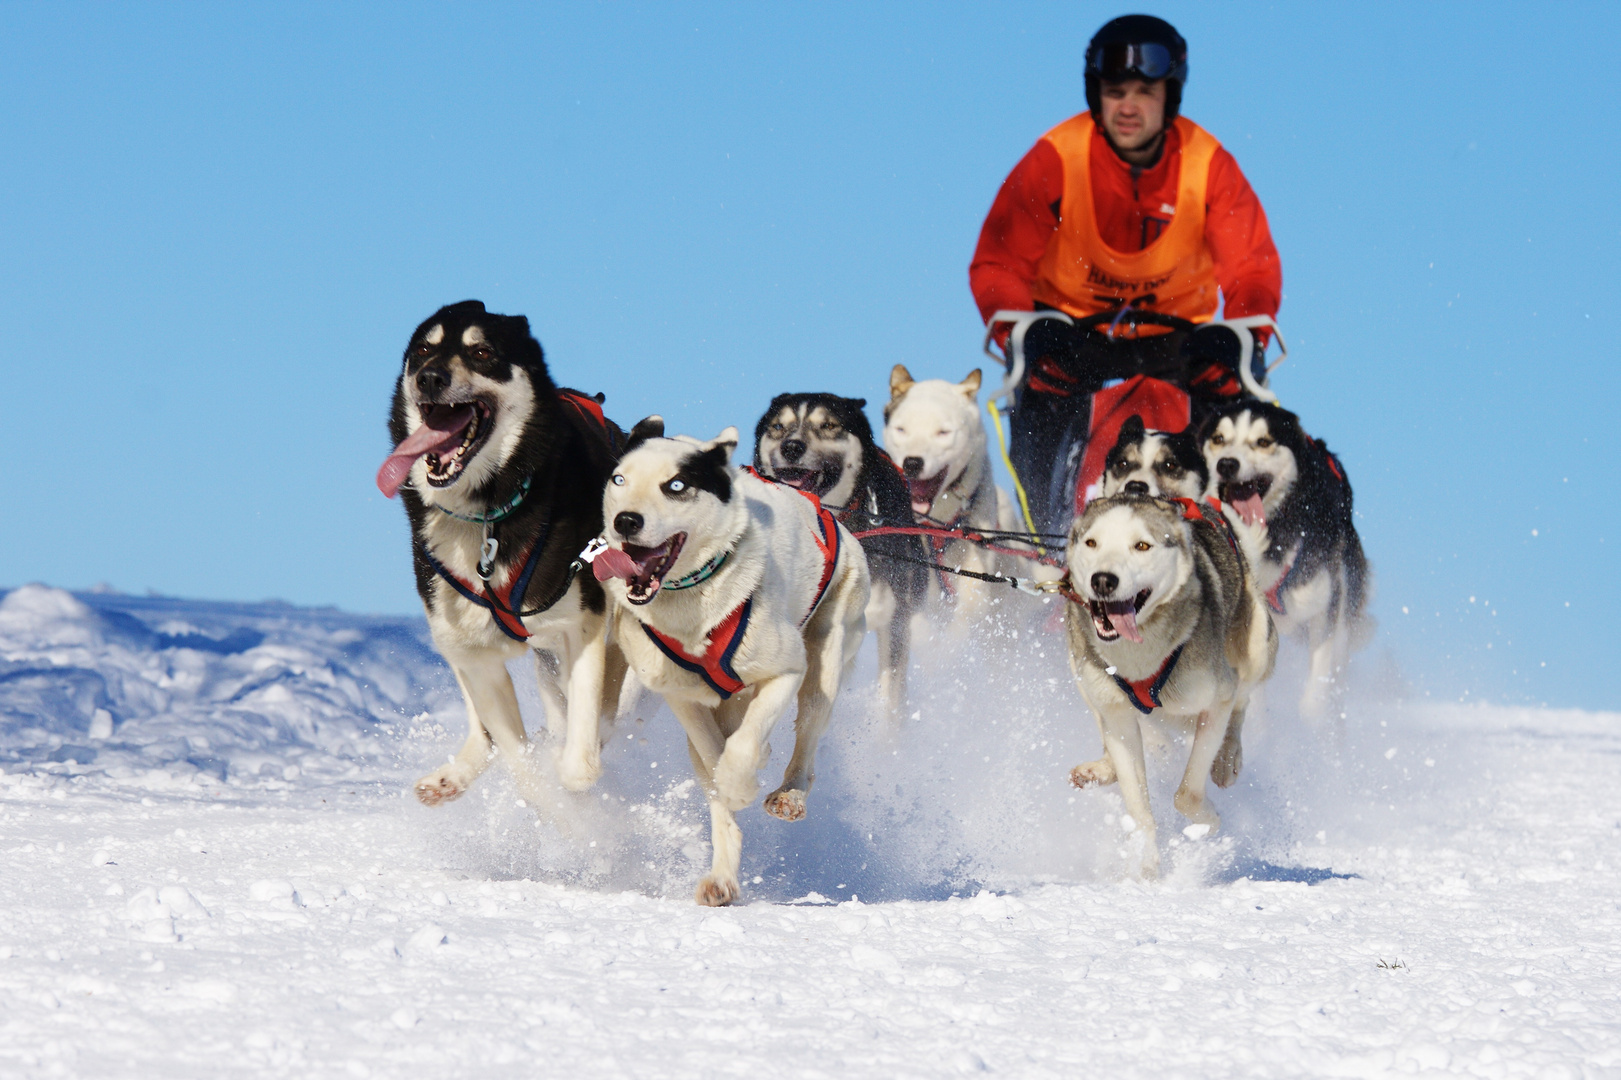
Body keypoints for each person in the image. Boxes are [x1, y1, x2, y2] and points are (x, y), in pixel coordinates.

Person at [970, 14, 1282, 533]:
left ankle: (1233, 544)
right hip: (1074, 335)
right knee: (1034, 383)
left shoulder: (1209, 165)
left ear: (1171, 95)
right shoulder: (1057, 157)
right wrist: (1020, 328)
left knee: (1241, 406)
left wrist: (1245, 332)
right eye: (1116, 92)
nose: (1129, 107)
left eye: (1145, 91)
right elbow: (999, 260)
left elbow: (1251, 265)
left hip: (1182, 341)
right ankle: (1049, 545)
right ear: (1097, 95)